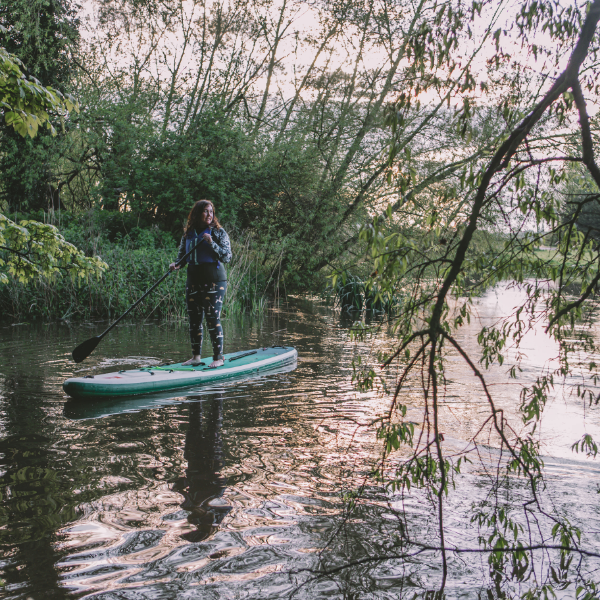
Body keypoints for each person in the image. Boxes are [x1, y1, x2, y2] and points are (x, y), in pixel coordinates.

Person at [169, 200, 232, 368]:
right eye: (205, 211)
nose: (209, 214)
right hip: (194, 280)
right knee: (194, 320)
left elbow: (227, 257)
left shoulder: (219, 232)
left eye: (211, 211)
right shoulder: (188, 233)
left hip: (214, 281)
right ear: (197, 214)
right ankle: (196, 357)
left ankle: (218, 357)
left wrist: (211, 243)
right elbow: (182, 257)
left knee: (212, 319)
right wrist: (176, 265)